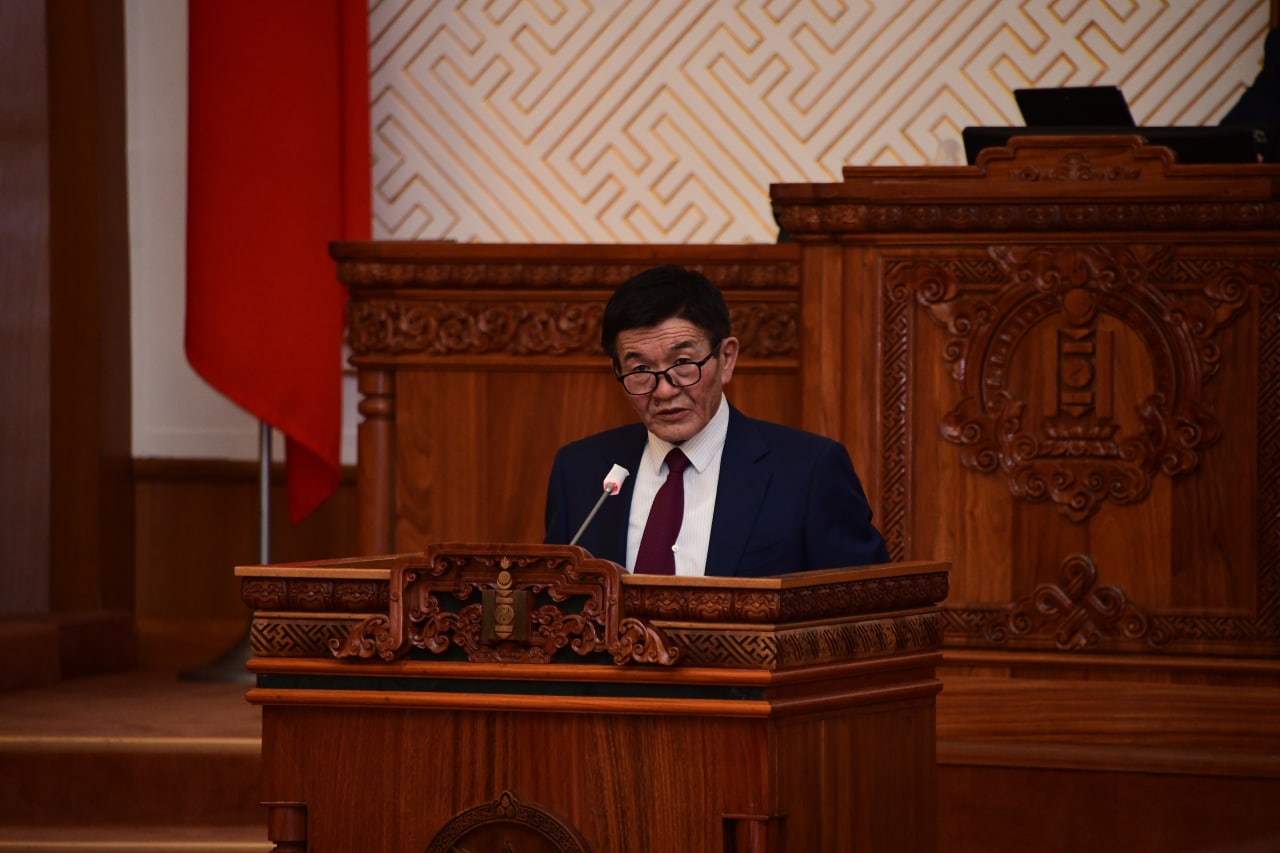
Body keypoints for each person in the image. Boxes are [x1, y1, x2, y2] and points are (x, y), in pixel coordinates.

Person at [543, 264, 889, 577]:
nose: (664, 390)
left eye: (683, 363)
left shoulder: (808, 472)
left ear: (726, 358)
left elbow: (863, 608)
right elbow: (555, 603)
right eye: (640, 370)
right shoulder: (580, 472)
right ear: (617, 372)